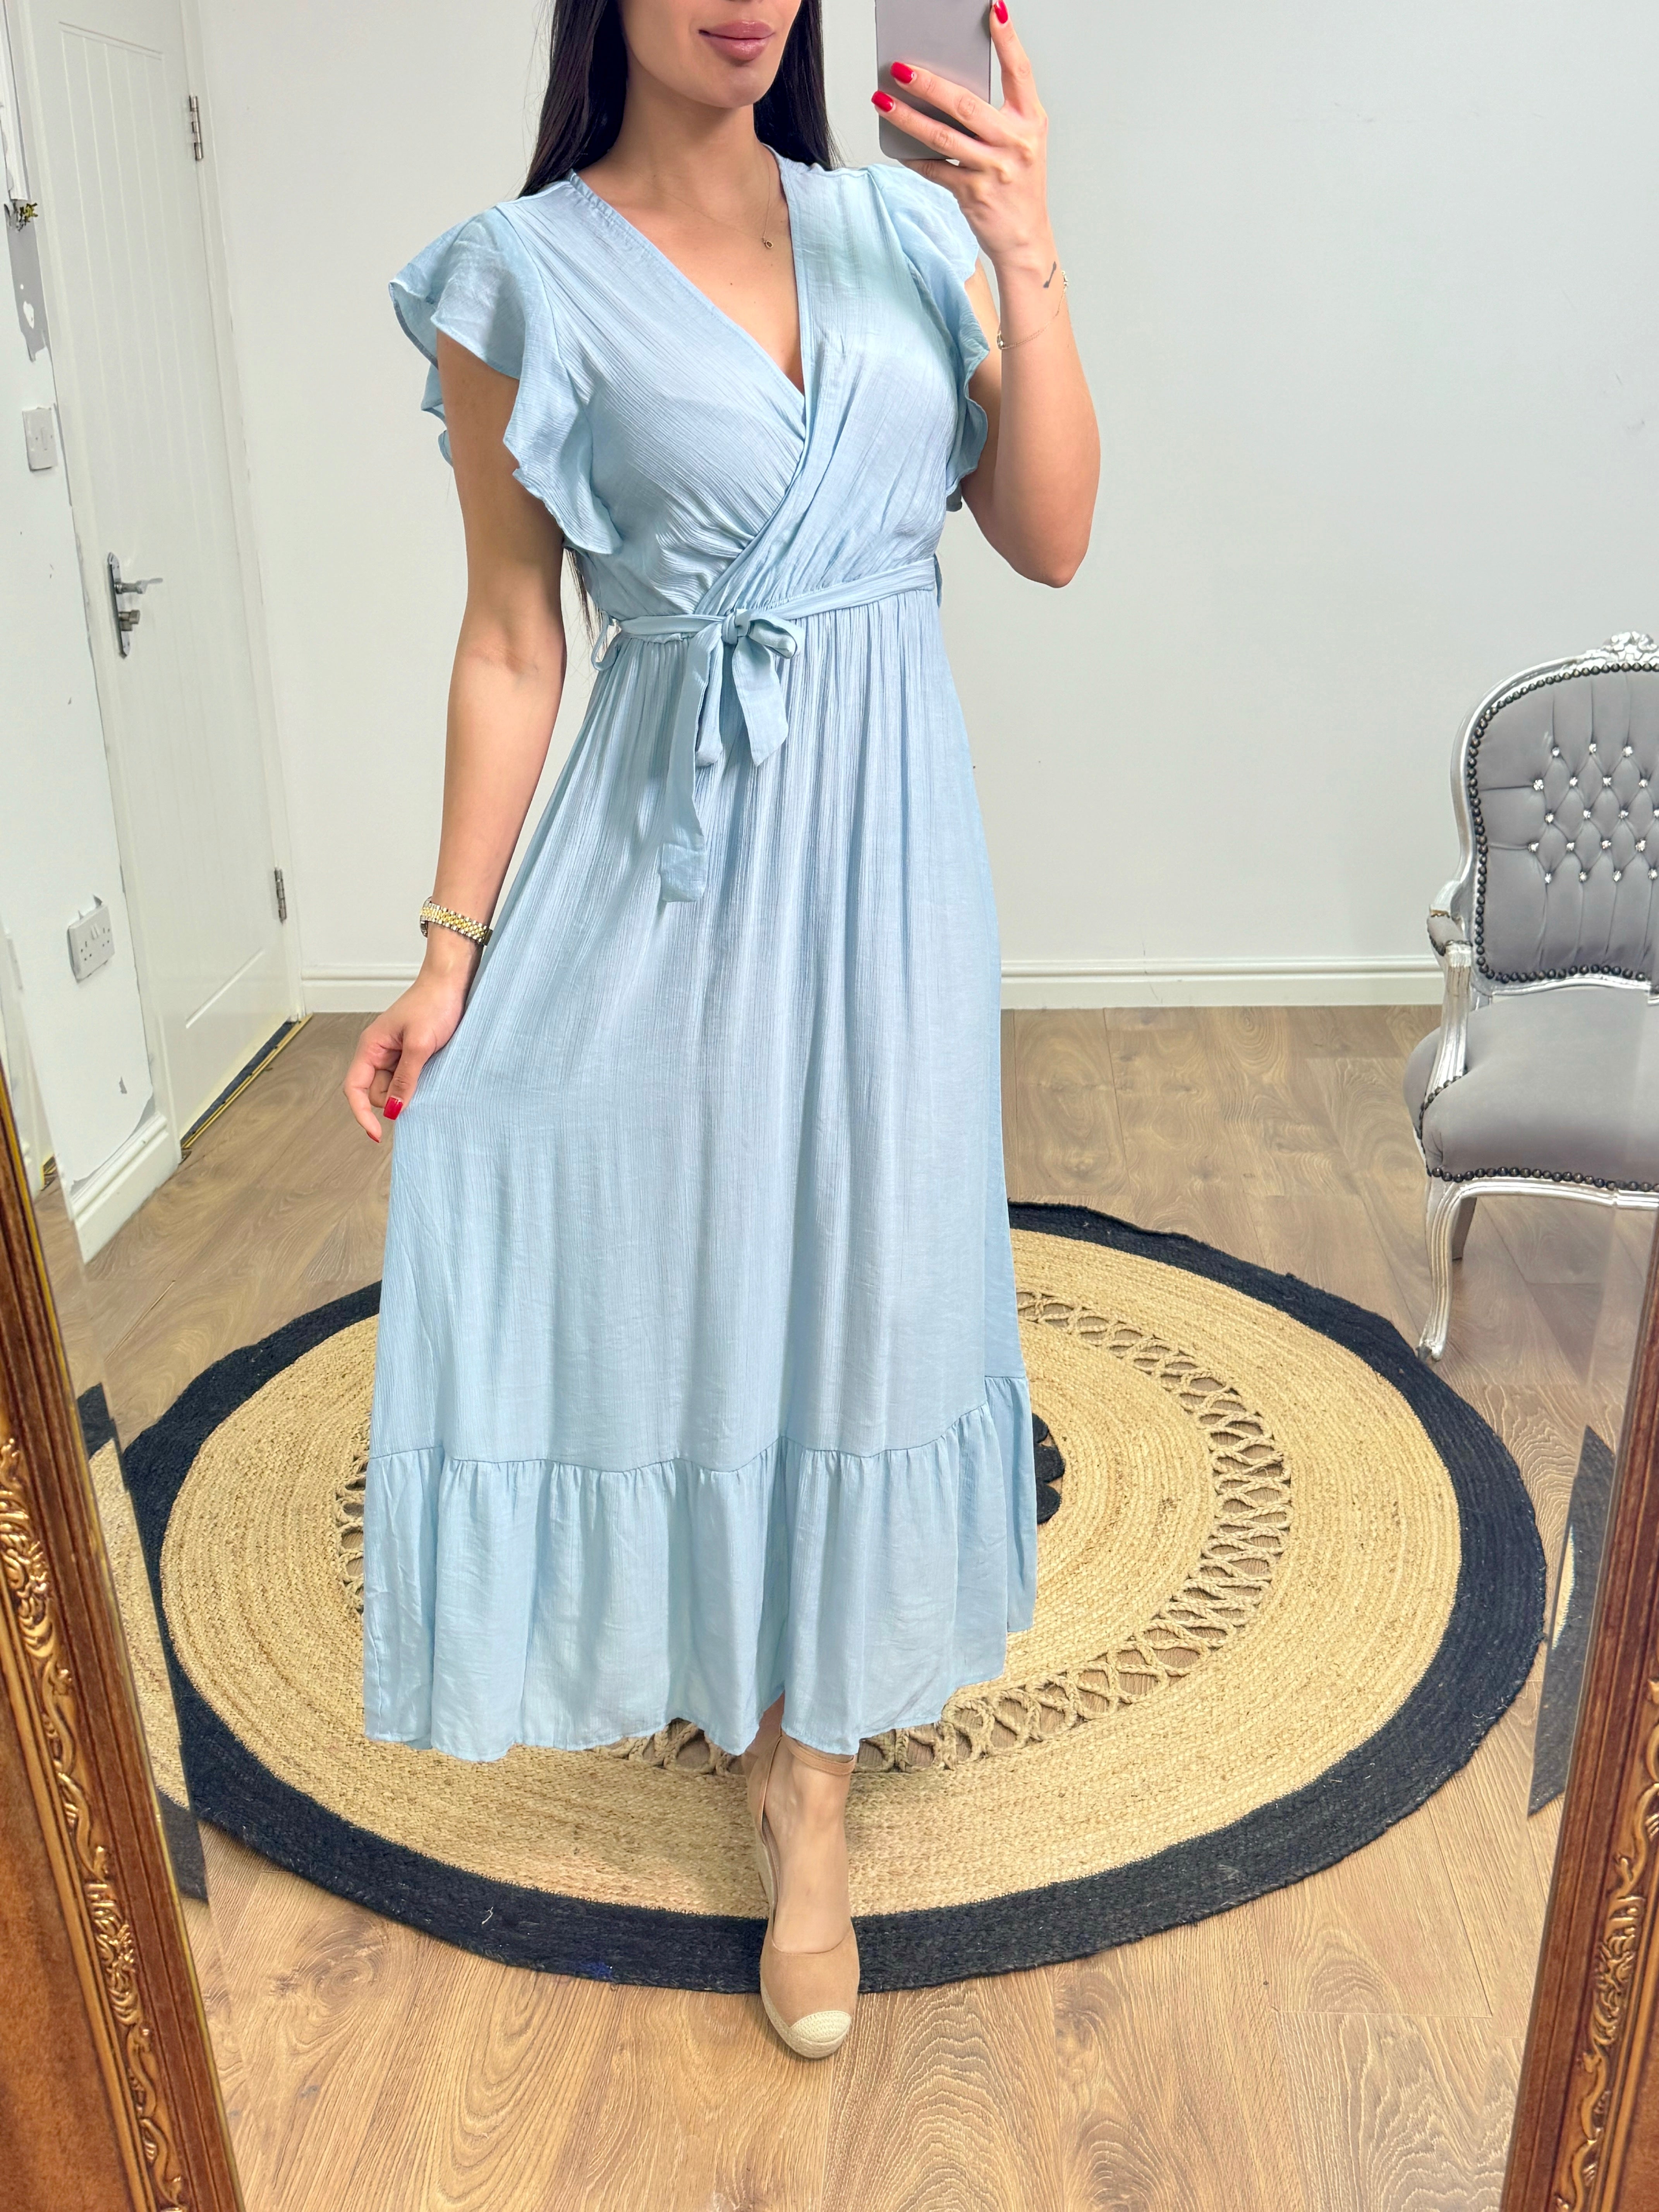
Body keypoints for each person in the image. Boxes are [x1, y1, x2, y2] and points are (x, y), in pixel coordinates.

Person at [344, 0, 1097, 2059]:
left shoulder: (904, 232)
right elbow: (515, 640)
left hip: (894, 861)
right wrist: (448, 952)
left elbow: (1048, 537)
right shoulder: (517, 279)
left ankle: (810, 1785)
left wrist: (1026, 248)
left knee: (873, 1287)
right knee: (701, 1283)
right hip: (669, 865)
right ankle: (754, 1701)